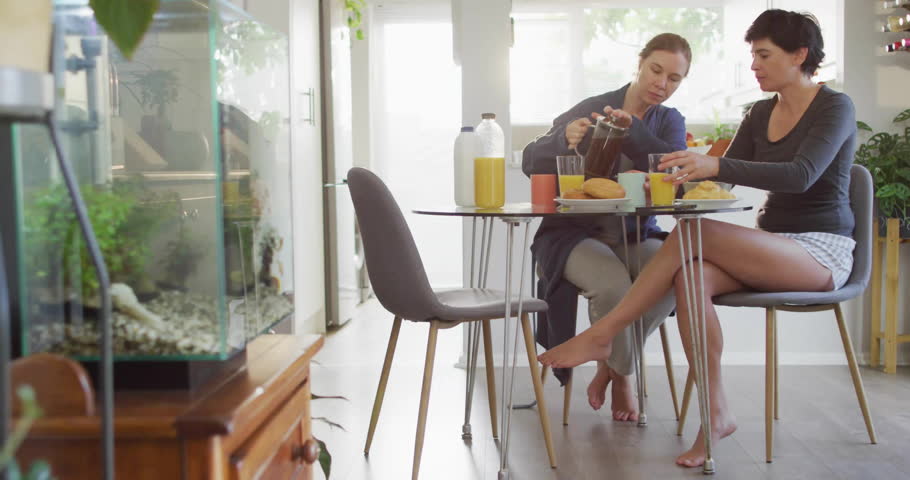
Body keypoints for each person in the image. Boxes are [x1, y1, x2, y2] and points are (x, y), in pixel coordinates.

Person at [538, 9, 856, 468]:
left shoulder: (835, 107)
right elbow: (710, 186)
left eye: (763, 55)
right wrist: (669, 172)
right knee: (690, 275)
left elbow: (801, 175)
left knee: (694, 233)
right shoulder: (760, 112)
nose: (754, 66)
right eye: (753, 55)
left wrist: (715, 165)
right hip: (775, 244)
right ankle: (716, 415)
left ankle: (603, 335)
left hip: (821, 250)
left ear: (799, 55)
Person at [522, 33, 691, 421]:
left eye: (674, 78)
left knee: (675, 275)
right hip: (573, 235)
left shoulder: (669, 120)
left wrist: (634, 131)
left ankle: (608, 367)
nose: (661, 84)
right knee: (614, 286)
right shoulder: (594, 108)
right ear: (639, 63)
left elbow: (675, 171)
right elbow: (533, 158)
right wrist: (564, 138)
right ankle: (626, 379)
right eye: (655, 70)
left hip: (636, 233)